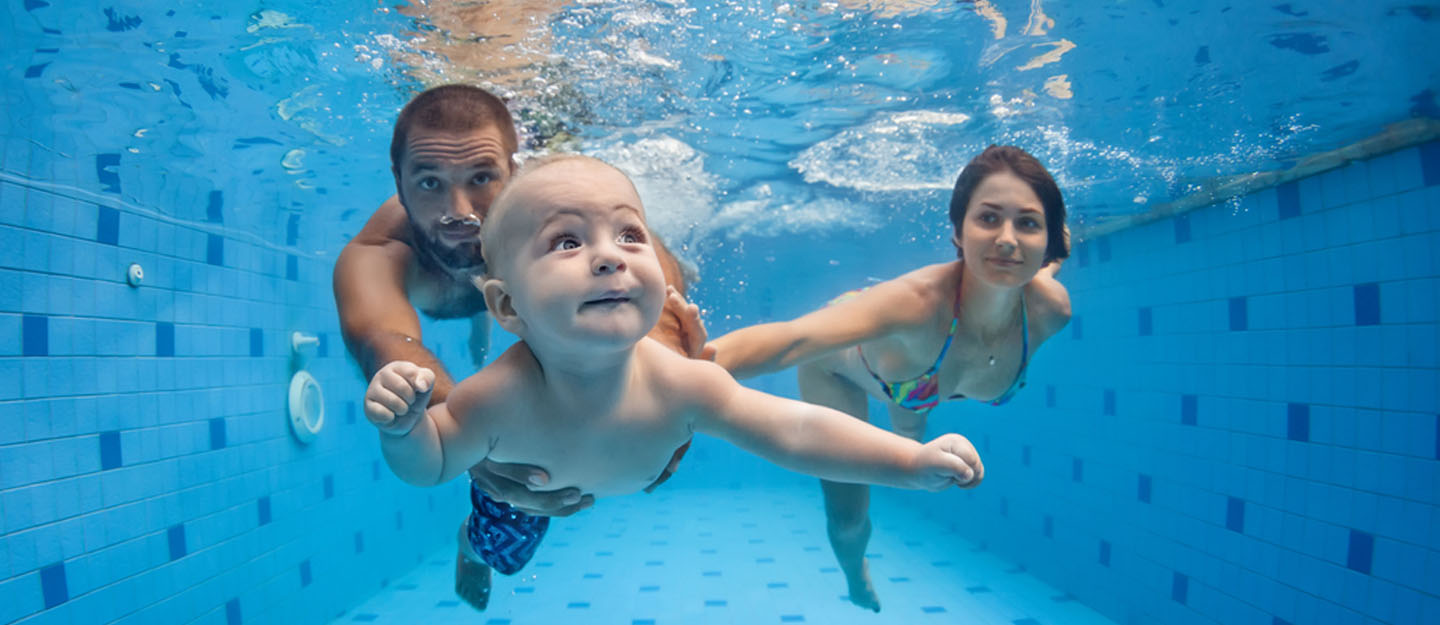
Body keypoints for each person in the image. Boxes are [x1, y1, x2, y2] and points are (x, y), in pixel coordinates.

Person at [362, 154, 986, 609]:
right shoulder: (495, 400)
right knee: (505, 548)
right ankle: (470, 546)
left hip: (613, 470)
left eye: (629, 234)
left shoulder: (684, 384)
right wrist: (405, 428)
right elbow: (433, 464)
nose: (610, 256)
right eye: (567, 242)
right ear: (505, 308)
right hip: (525, 489)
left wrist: (909, 459)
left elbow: (795, 430)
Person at [332, 84, 706, 609]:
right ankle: (473, 546)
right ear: (398, 183)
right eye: (429, 183)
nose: (457, 212)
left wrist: (669, 376)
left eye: (482, 178)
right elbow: (387, 339)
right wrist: (469, 435)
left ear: (515, 170)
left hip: (542, 329)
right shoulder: (380, 253)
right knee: (509, 529)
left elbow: (644, 268)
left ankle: (494, 324)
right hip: (512, 320)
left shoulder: (553, 211)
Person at [706, 145, 1072, 612]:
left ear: (1047, 241)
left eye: (1028, 223)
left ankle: (908, 420)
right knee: (848, 516)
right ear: (958, 231)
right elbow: (791, 341)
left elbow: (1038, 264)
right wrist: (676, 364)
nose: (1006, 239)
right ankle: (854, 572)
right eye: (988, 219)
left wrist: (1049, 252)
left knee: (914, 407)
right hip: (840, 366)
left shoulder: (1049, 311)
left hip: (916, 373)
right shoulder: (915, 302)